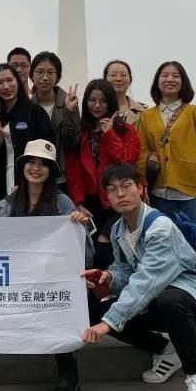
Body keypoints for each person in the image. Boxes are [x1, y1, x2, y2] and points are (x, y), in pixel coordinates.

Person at [82, 164, 196, 391]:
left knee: (170, 300)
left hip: (193, 301)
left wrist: (109, 323)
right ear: (107, 197)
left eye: (126, 186)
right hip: (155, 298)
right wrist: (109, 276)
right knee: (95, 308)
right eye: (112, 189)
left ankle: (195, 376)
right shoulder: (118, 230)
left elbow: (147, 279)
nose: (120, 194)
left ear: (141, 189)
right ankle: (165, 350)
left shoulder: (160, 227)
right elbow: (125, 270)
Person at [0, 140, 92, 391]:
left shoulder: (62, 203)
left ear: (51, 171)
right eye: (31, 162)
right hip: (18, 278)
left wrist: (81, 228)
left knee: (58, 303)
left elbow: (85, 253)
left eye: (43, 164)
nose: (36, 168)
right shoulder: (8, 204)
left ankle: (68, 371)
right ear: (22, 167)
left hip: (52, 278)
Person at [65, 79, 140, 270]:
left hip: (118, 198)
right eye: (92, 100)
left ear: (111, 102)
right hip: (90, 202)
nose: (97, 105)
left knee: (107, 243)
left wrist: (110, 135)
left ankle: (113, 284)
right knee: (90, 249)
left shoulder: (125, 130)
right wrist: (78, 202)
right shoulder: (82, 131)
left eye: (103, 101)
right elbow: (74, 170)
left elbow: (127, 161)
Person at [137, 61, 196, 238]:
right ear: (157, 82)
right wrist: (143, 185)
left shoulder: (194, 112)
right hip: (159, 193)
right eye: (165, 75)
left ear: (183, 82)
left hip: (194, 193)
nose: (170, 79)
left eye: (176, 76)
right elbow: (142, 153)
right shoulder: (147, 116)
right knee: (164, 245)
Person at [0, 63, 55, 203]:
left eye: (9, 80)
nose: (6, 86)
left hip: (30, 182)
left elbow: (47, 151)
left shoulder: (35, 112)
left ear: (17, 81)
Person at [30, 51, 81, 190]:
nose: (45, 77)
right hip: (34, 174)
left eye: (50, 72)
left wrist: (69, 111)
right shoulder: (27, 105)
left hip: (62, 176)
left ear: (57, 77)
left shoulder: (68, 102)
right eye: (40, 72)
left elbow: (73, 143)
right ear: (32, 75)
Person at [104, 59, 146, 129]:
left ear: (130, 80)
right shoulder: (97, 110)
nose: (118, 79)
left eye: (123, 75)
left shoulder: (142, 112)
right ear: (104, 80)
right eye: (113, 75)